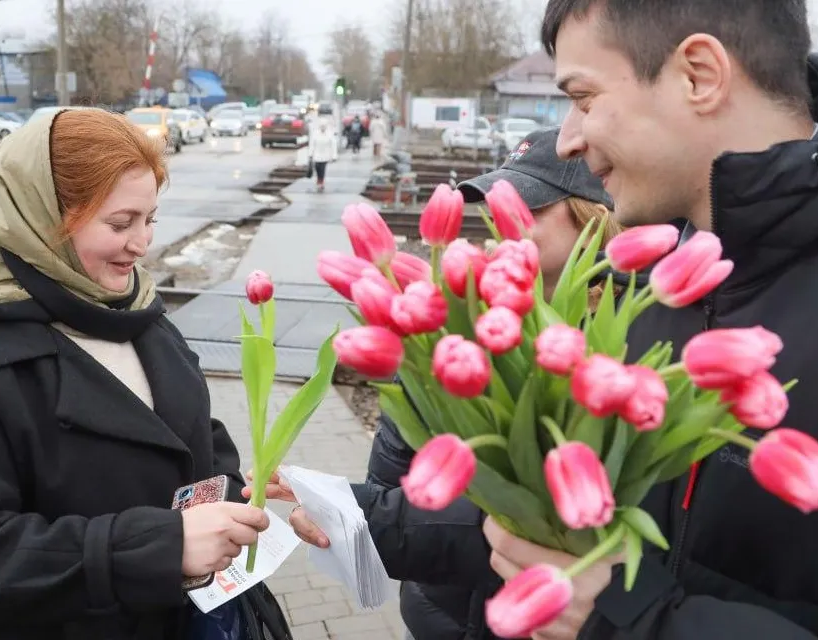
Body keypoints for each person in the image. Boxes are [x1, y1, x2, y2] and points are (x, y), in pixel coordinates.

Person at [476, 1, 818, 639]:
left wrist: (631, 620)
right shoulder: (654, 277)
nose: (567, 139)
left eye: (584, 97)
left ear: (700, 75)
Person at [0, 109, 291, 640]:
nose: (141, 244)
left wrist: (243, 498)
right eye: (119, 223)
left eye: (149, 219)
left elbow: (194, 440)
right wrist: (162, 547)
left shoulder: (137, 312)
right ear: (43, 217)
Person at [248, 127, 625, 640]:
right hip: (434, 618)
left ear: (592, 214)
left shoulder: (626, 343)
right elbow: (392, 479)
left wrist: (363, 514)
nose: (500, 224)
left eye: (527, 207)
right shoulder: (452, 328)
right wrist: (343, 508)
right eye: (493, 209)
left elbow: (545, 519)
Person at [308, 116, 339, 192]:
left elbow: (333, 144)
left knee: (322, 168)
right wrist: (310, 154)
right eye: (321, 126)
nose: (323, 128)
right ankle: (319, 179)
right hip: (317, 154)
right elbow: (312, 144)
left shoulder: (329, 133)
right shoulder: (315, 133)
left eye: (324, 126)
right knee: (317, 167)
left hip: (325, 155)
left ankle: (321, 181)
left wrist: (334, 155)